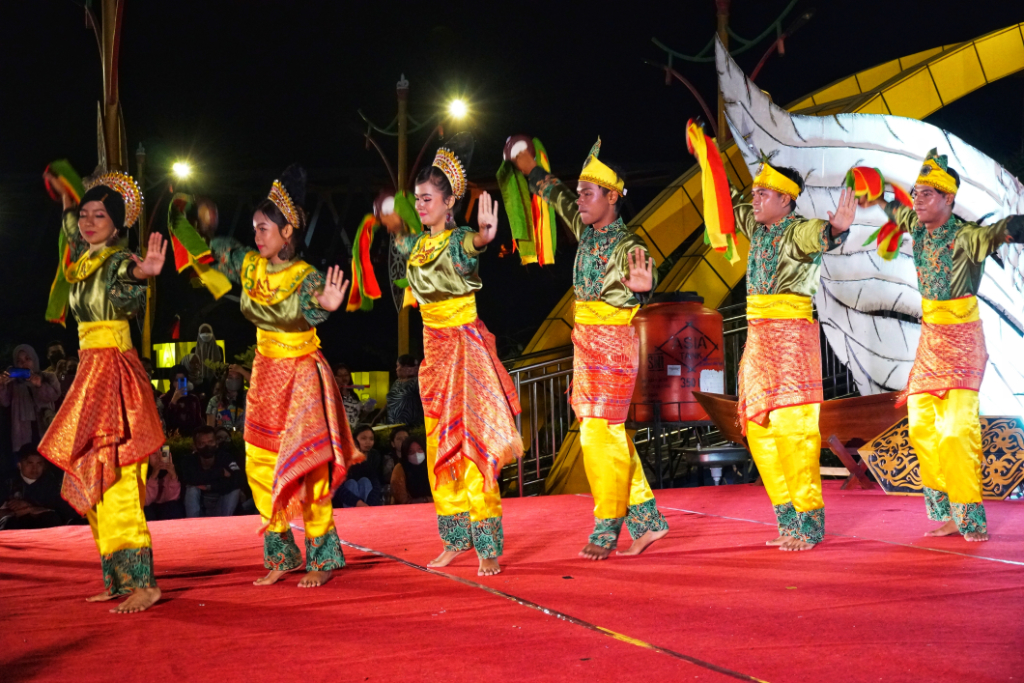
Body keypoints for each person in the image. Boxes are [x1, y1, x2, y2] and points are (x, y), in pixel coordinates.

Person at [183, 167, 359, 587]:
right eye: (255, 228)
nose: (257, 236)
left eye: (264, 228)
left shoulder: (305, 277)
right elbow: (216, 250)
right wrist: (198, 226)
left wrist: (328, 305)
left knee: (308, 466)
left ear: (287, 231)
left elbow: (317, 304)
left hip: (300, 374)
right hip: (264, 375)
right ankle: (281, 552)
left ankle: (323, 557)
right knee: (259, 462)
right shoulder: (249, 266)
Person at [855, 150, 1024, 542]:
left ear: (949, 200)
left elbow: (1002, 230)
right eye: (917, 192)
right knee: (920, 428)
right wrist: (877, 197)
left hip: (963, 338)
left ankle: (971, 518)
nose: (918, 199)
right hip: (931, 342)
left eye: (928, 194)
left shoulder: (967, 236)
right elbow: (898, 211)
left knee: (955, 430)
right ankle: (949, 512)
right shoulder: (917, 222)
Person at [514, 138, 670, 560]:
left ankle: (608, 524)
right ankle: (648, 520)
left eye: (589, 192)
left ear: (612, 197)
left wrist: (645, 289)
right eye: (580, 192)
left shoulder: (628, 244)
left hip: (614, 348)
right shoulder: (586, 229)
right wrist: (529, 167)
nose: (579, 199)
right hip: (586, 349)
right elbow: (556, 195)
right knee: (608, 435)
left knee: (598, 436)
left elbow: (644, 270)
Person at [691, 150, 855, 551]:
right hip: (759, 340)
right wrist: (705, 154)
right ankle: (787, 517)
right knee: (760, 431)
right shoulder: (758, 226)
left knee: (792, 430)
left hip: (791, 340)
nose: (755, 198)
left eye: (763, 193)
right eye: (755, 192)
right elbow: (725, 200)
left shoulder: (798, 231)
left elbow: (823, 235)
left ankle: (810, 521)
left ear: (786, 201)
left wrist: (836, 230)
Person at [384, 133, 523, 577]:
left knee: (473, 449)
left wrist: (483, 238)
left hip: (465, 349)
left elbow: (469, 251)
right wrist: (388, 219)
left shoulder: (459, 239)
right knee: (438, 445)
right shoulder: (416, 245)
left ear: (448, 203)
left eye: (428, 199)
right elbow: (399, 238)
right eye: (418, 199)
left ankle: (486, 545)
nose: (421, 205)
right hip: (433, 356)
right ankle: (453, 539)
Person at [38, 165, 166, 613]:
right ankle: (117, 576)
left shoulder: (117, 261)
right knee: (93, 469)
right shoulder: (84, 261)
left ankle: (144, 582)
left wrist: (144, 274)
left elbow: (129, 291)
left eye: (99, 215)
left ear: (116, 223)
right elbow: (70, 226)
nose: (89, 222)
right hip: (90, 370)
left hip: (113, 369)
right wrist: (68, 190)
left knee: (118, 476)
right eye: (85, 215)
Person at [0, 345, 61, 453]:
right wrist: (2, 386)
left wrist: (39, 385)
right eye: (19, 361)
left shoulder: (48, 377)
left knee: (47, 459)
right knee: (27, 459)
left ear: (34, 359)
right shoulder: (13, 383)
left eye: (27, 359)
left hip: (45, 426)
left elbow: (53, 396)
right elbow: (5, 402)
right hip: (23, 432)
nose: (24, 363)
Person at [0, 446, 75, 530]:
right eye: (30, 463)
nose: (34, 468)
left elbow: (63, 510)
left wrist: (30, 508)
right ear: (19, 465)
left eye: (39, 463)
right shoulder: (7, 481)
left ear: (44, 466)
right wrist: (13, 511)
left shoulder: (53, 482)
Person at [180, 426, 243, 518]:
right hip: (199, 506)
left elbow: (238, 479)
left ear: (216, 443)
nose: (207, 447)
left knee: (235, 491)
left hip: (221, 503)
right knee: (192, 490)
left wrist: (209, 486)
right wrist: (220, 473)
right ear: (195, 446)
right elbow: (189, 479)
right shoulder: (189, 461)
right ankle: (193, 526)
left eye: (210, 442)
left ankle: (223, 527)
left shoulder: (225, 458)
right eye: (202, 443)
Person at [334, 424, 383, 507]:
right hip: (346, 504)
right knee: (351, 483)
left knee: (365, 481)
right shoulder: (339, 463)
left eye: (371, 439)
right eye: (363, 438)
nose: (368, 442)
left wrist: (369, 505)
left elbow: (375, 483)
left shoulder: (368, 461)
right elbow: (339, 489)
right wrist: (358, 503)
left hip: (366, 504)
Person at [161, 364, 205, 436]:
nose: (179, 383)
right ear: (171, 381)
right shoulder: (164, 399)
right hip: (171, 440)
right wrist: (173, 401)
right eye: (176, 380)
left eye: (182, 380)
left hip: (191, 439)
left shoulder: (193, 399)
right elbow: (166, 423)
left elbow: (198, 423)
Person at [390, 435, 433, 505]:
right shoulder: (400, 469)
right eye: (410, 451)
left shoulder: (432, 466)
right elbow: (403, 500)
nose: (416, 454)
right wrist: (427, 500)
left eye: (419, 449)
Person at [144, 447, 184, 521]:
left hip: (167, 509)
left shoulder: (174, 471)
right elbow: (146, 500)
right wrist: (154, 475)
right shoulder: (142, 472)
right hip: (150, 510)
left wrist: (173, 476)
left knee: (174, 507)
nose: (158, 456)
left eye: (162, 453)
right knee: (147, 511)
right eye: (154, 454)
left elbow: (172, 499)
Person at [184, 323, 224, 397]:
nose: (205, 334)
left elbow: (221, 367)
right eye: (203, 331)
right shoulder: (194, 350)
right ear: (199, 334)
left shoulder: (219, 350)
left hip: (215, 382)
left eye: (208, 331)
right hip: (198, 384)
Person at [385, 355, 423, 426]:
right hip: (392, 424)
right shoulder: (396, 383)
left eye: (398, 366)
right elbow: (389, 402)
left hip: (411, 425)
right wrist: (376, 419)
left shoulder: (417, 382)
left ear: (406, 367)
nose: (396, 369)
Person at [334, 363, 374, 427]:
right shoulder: (331, 396)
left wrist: (366, 411)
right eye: (340, 375)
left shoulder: (353, 395)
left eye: (346, 374)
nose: (344, 378)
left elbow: (359, 418)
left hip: (353, 431)